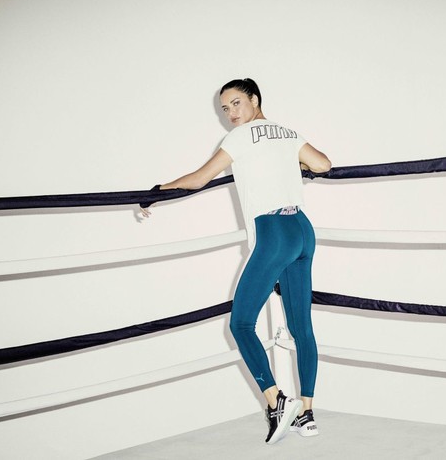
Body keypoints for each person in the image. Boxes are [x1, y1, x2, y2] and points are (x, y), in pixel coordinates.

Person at [142, 78, 331, 444]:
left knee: (241, 324)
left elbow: (199, 178)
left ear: (254, 99)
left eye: (236, 103)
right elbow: (323, 164)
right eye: (225, 108)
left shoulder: (240, 137)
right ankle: (306, 413)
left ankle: (277, 403)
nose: (231, 113)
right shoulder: (286, 132)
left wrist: (156, 192)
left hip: (275, 233)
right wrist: (291, 163)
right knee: (302, 327)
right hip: (302, 230)